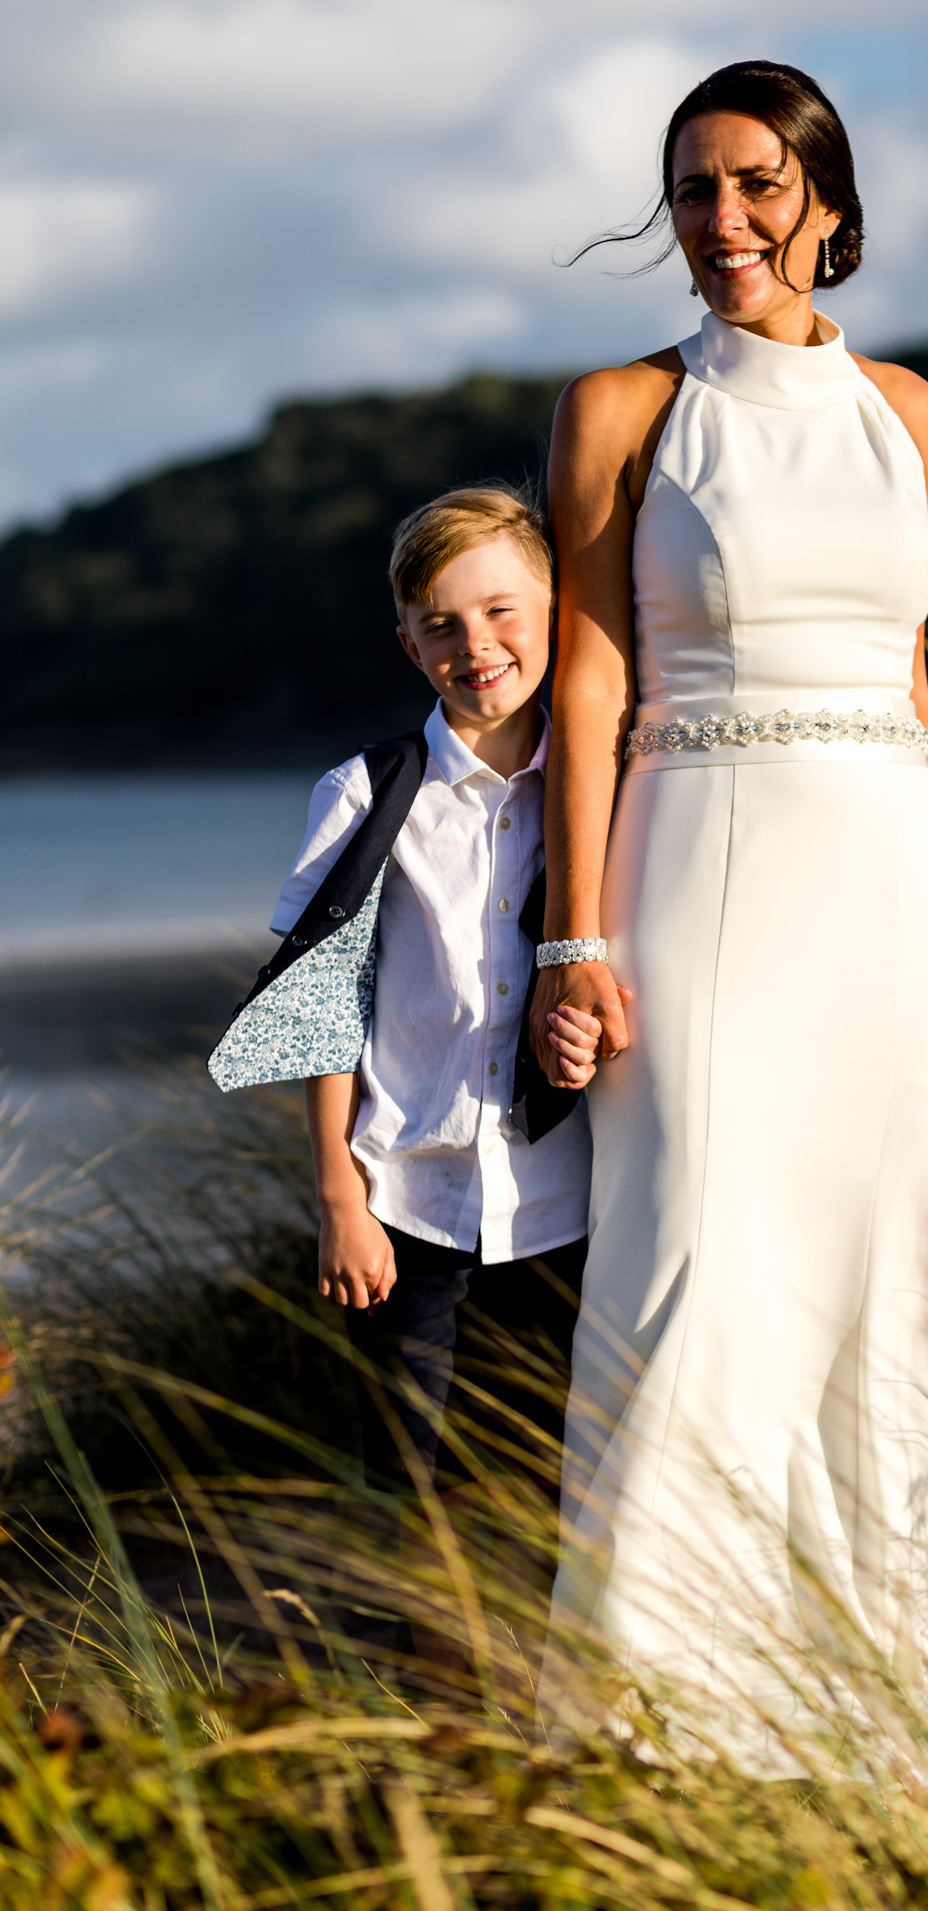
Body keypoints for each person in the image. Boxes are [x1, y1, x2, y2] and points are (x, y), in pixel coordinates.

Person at [531, 61, 928, 1757]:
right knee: (694, 1251)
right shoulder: (618, 409)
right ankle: (657, 1718)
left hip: (889, 889)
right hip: (700, 870)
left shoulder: (905, 411)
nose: (720, 220)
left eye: (752, 184)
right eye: (691, 189)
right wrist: (572, 935)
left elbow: (908, 684)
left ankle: (895, 1707)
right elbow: (589, 683)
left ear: (823, 199)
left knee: (894, 1271)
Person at [273, 487, 602, 1525]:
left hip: (570, 1199)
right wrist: (338, 1198)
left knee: (557, 1474)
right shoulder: (366, 793)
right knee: (405, 1487)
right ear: (409, 645)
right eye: (443, 625)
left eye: (504, 610)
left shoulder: (607, 786)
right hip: (407, 1204)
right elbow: (317, 1003)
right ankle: (414, 1679)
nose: (478, 644)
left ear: (555, 611)